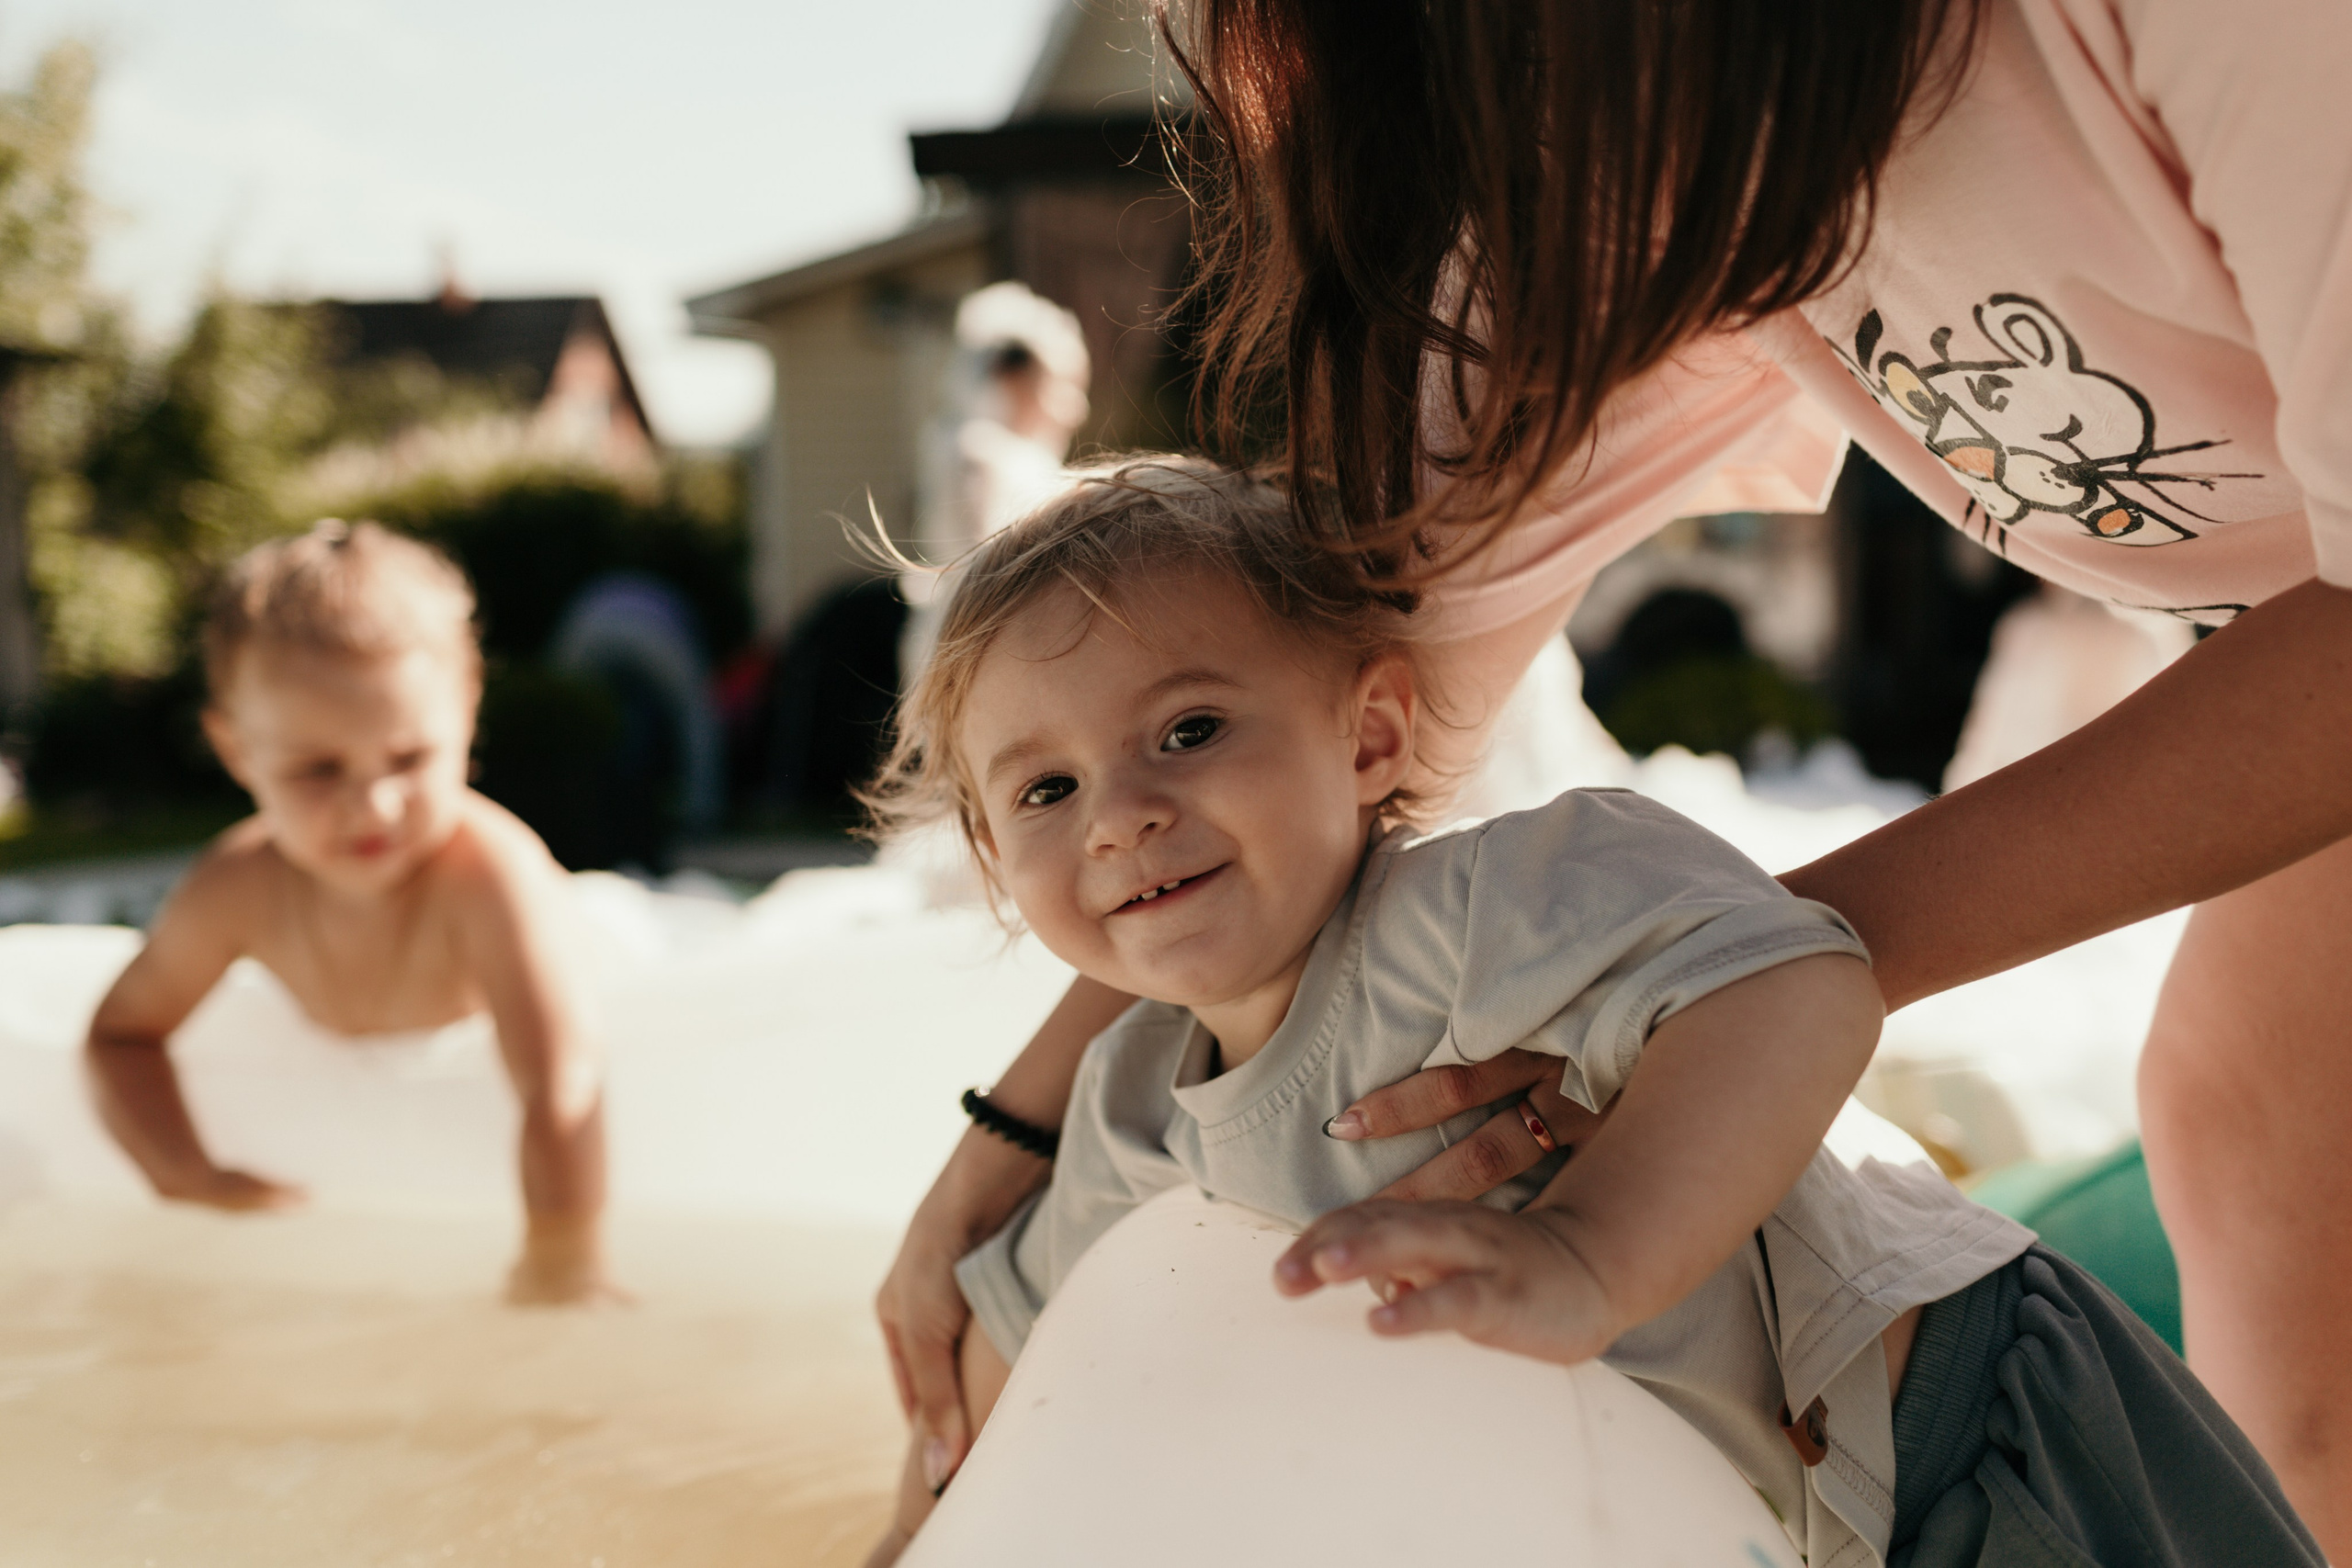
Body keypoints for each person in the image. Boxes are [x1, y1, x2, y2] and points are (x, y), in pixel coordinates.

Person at [880, 2, 2352, 1551]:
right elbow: (1335, 677)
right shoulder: (1603, 157)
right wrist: (1017, 1134)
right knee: (2255, 1141)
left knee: (2245, 1125)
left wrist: (1697, 984)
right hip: (2282, 654)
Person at [860, 458, 2316, 1567]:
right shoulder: (1130, 1099)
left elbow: (1802, 978)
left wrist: (1589, 1247)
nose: (1120, 815)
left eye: (1188, 729)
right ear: (991, 856)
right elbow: (1005, 1377)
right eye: (1046, 788)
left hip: (1974, 1428)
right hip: (1800, 1516)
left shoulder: (1491, 907)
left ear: (1370, 734)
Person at [83, 520, 616, 1304]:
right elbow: (121, 1035)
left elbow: (559, 1089)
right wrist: (187, 1174)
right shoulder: (236, 888)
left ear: (468, 713)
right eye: (318, 769)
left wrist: (561, 1264)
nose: (373, 806)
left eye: (410, 758)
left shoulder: (489, 878)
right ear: (236, 750)